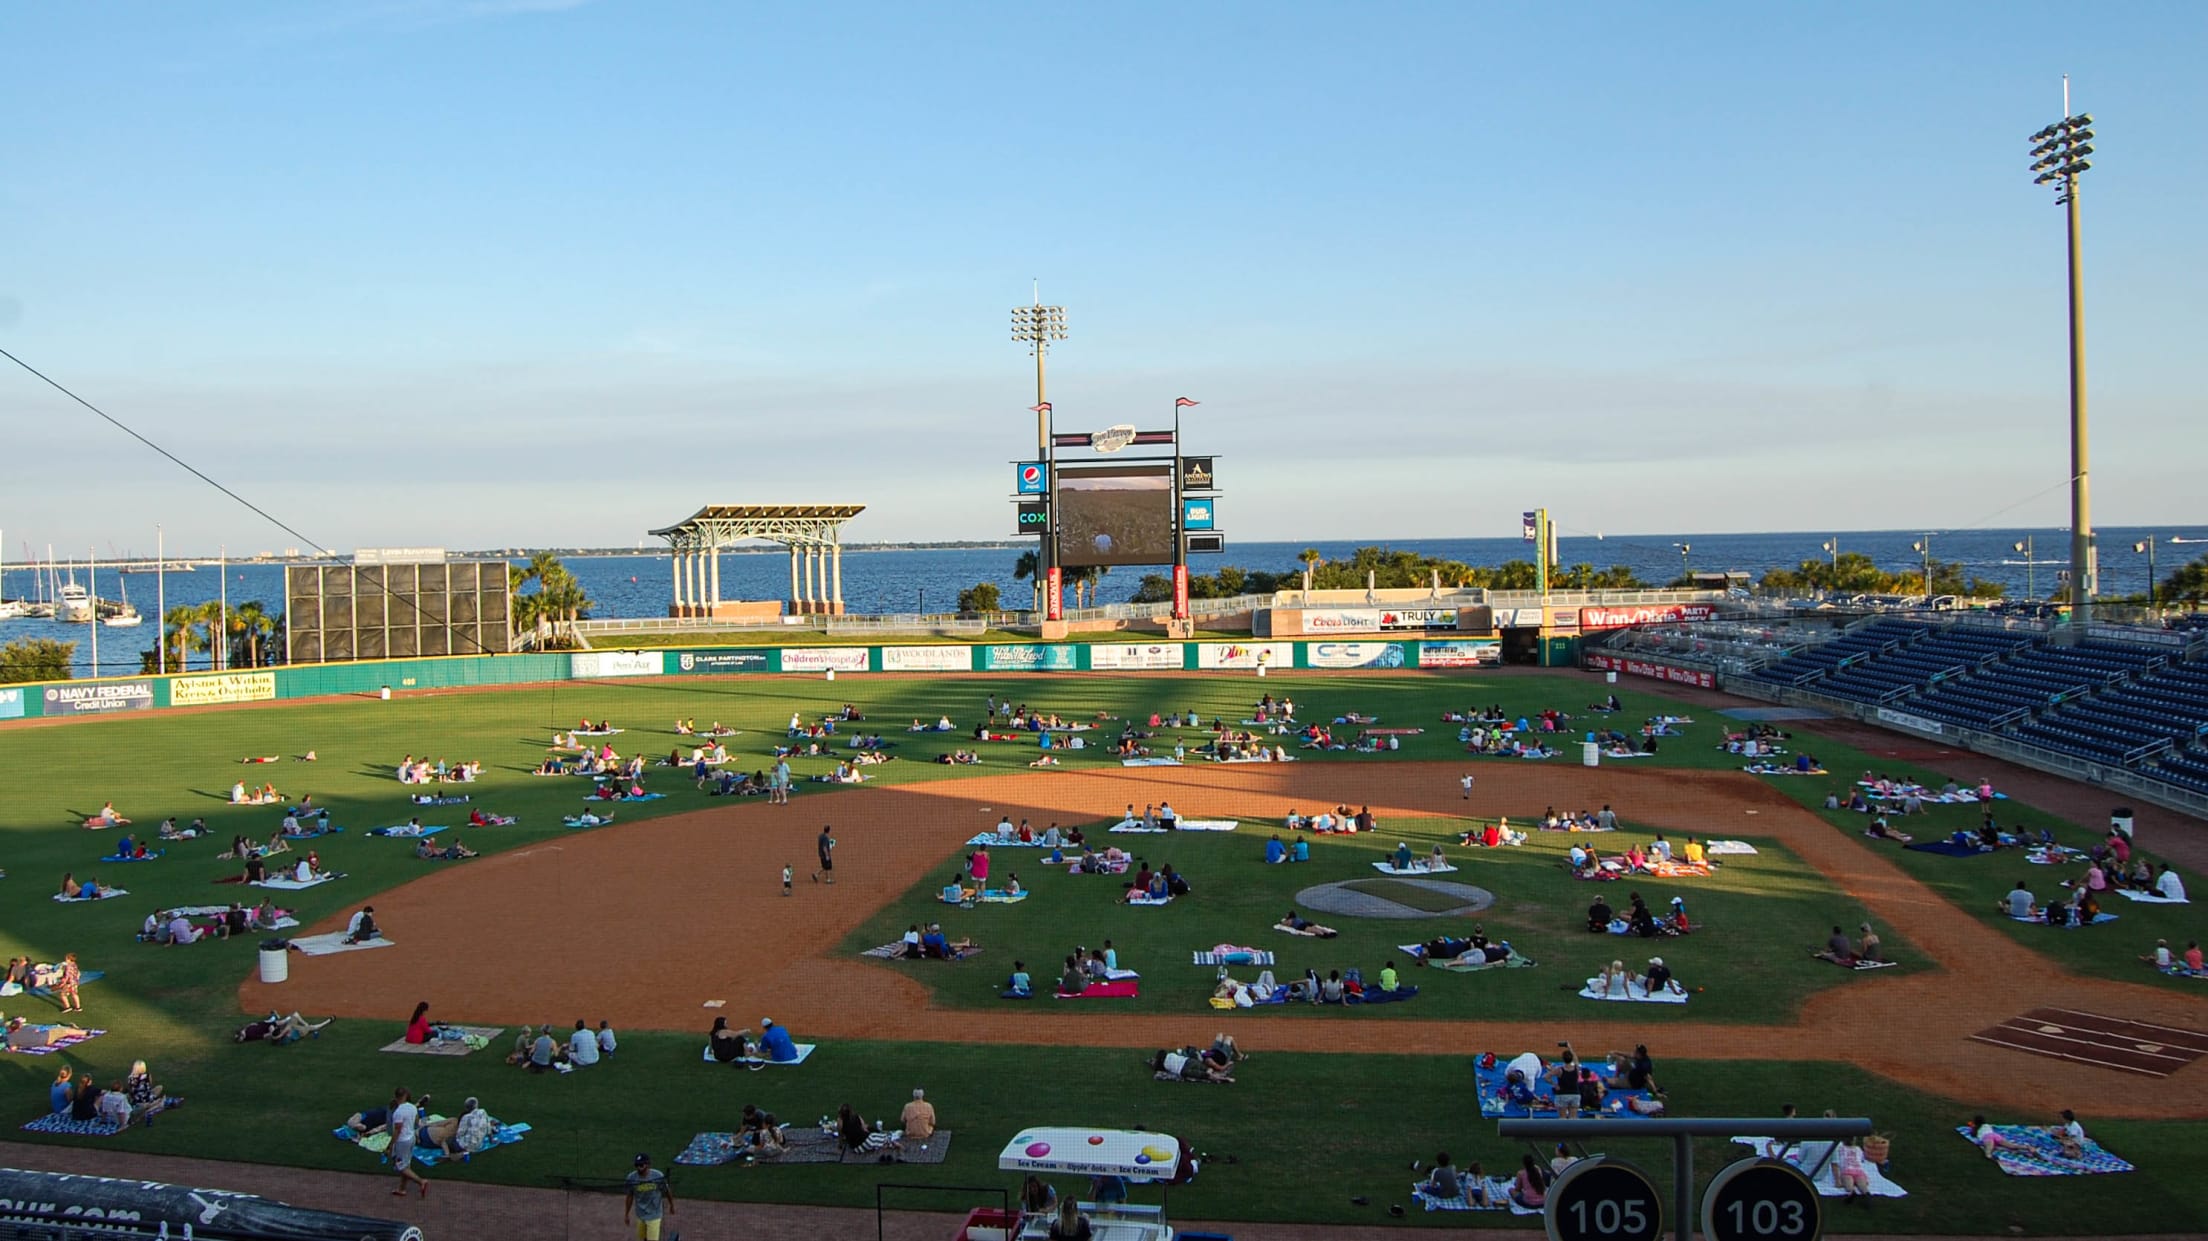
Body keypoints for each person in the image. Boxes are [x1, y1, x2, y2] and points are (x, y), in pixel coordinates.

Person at [389, 1086, 429, 1197]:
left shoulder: (398, 1113)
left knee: (400, 1167)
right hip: (411, 1138)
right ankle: (402, 1189)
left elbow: (397, 1130)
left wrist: (390, 1145)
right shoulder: (412, 1107)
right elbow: (416, 1122)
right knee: (406, 1165)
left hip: (402, 1142)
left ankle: (421, 1182)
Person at [625, 1153, 675, 1241]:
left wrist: (672, 1205)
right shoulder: (631, 1178)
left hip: (654, 1215)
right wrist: (626, 1214)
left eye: (641, 1165)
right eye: (637, 1165)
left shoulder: (657, 1176)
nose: (638, 1167)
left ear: (648, 1164)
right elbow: (630, 1196)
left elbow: (667, 1191)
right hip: (640, 1214)